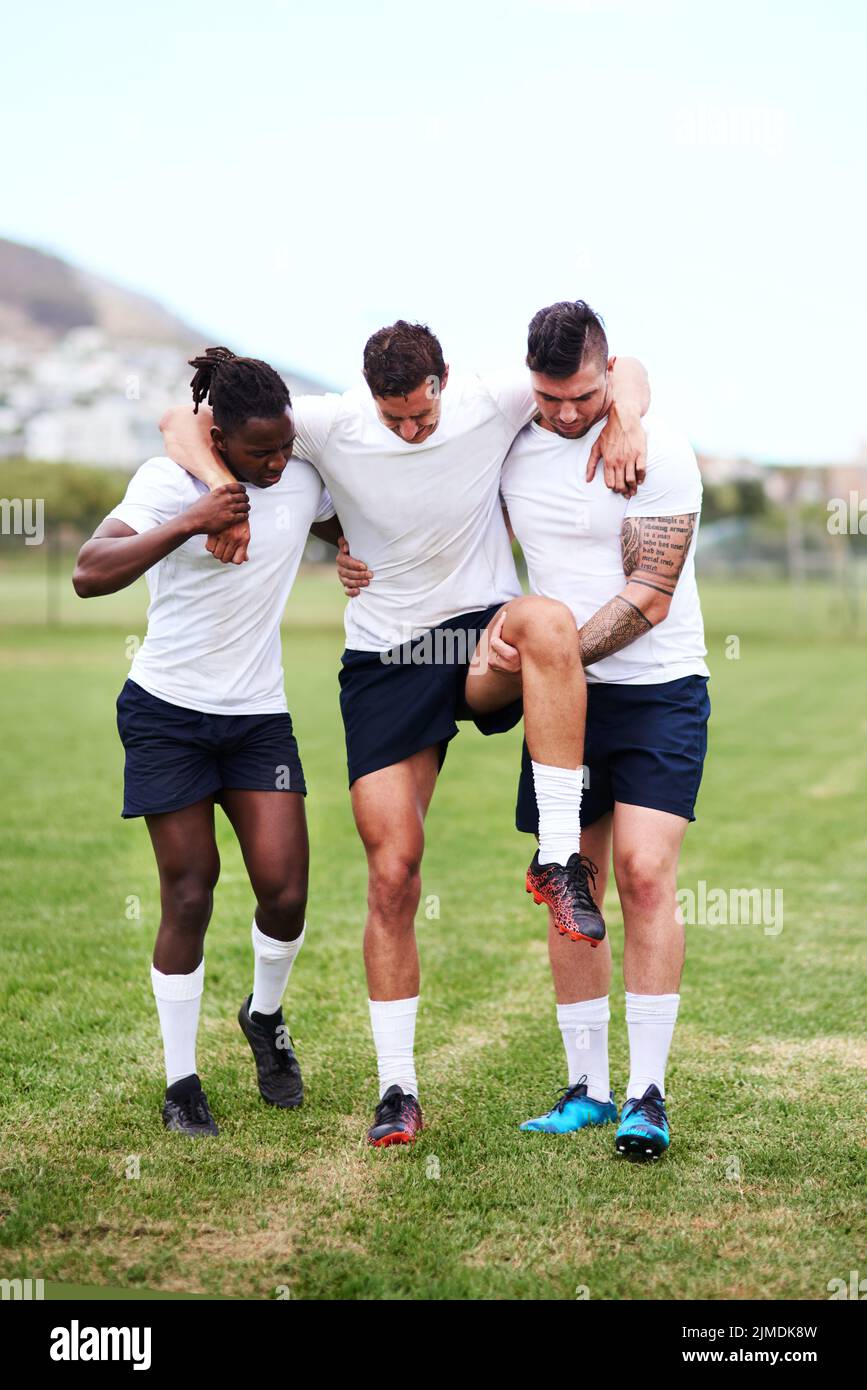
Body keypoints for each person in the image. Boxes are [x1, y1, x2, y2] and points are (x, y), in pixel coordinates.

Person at [160, 324, 649, 1146]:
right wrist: (227, 492)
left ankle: (557, 858)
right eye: (396, 421)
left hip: (474, 640)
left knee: (548, 622)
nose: (412, 431)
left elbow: (624, 363)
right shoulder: (331, 422)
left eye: (422, 416)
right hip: (385, 660)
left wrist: (627, 419)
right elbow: (184, 421)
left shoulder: (488, 402)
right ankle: (397, 1088)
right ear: (369, 398)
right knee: (392, 873)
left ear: (444, 383)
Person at [73, 348, 340, 1136]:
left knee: (285, 892)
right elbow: (89, 573)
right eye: (261, 452)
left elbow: (337, 517)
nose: (279, 461)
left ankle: (263, 1017)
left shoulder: (293, 475)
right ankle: (181, 1081)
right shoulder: (166, 483)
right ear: (216, 436)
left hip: (258, 716)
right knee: (190, 891)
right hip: (166, 713)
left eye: (286, 447)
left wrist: (348, 548)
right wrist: (195, 517)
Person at [494, 301, 710, 1160]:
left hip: (658, 688)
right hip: (564, 700)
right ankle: (584, 1088)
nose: (565, 413)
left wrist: (556, 666)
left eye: (583, 395)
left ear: (607, 370)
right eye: (550, 398)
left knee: (645, 873)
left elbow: (649, 598)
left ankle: (646, 1096)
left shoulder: (655, 450)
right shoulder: (512, 437)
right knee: (568, 880)